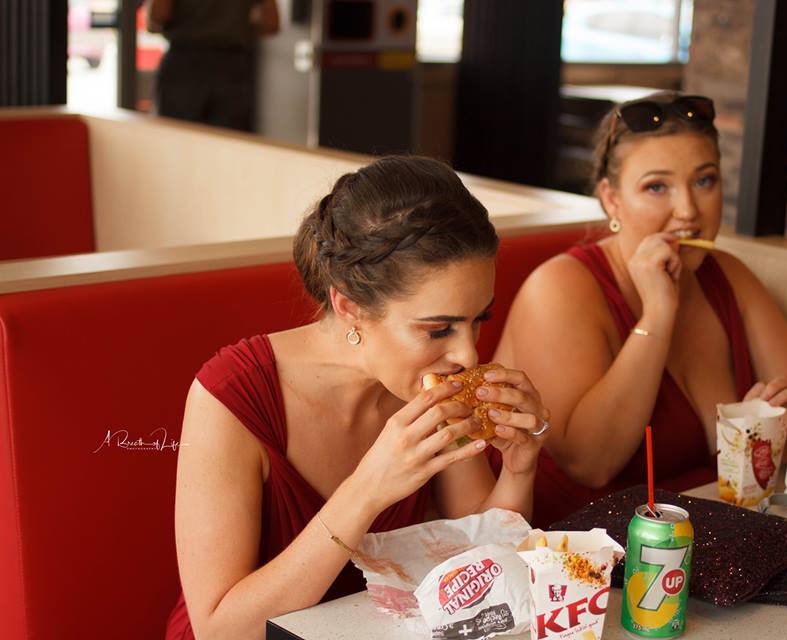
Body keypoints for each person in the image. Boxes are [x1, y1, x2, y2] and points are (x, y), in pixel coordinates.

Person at [164, 156, 549, 640]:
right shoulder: (230, 397)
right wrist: (368, 488)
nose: (468, 353)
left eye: (479, 320)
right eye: (438, 329)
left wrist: (519, 466)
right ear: (350, 306)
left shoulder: (423, 387)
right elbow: (220, 630)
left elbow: (479, 554)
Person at [493, 92, 787, 526]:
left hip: (713, 535)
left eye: (704, 181)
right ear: (611, 199)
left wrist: (778, 433)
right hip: (585, 557)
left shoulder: (728, 275)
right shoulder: (559, 287)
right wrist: (657, 314)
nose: (688, 211)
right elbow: (589, 461)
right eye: (657, 186)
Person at [147, 0, 280, 132]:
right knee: (229, 143)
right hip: (232, 66)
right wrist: (235, 28)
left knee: (178, 139)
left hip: (184, 62)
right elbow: (271, 24)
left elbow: (158, 16)